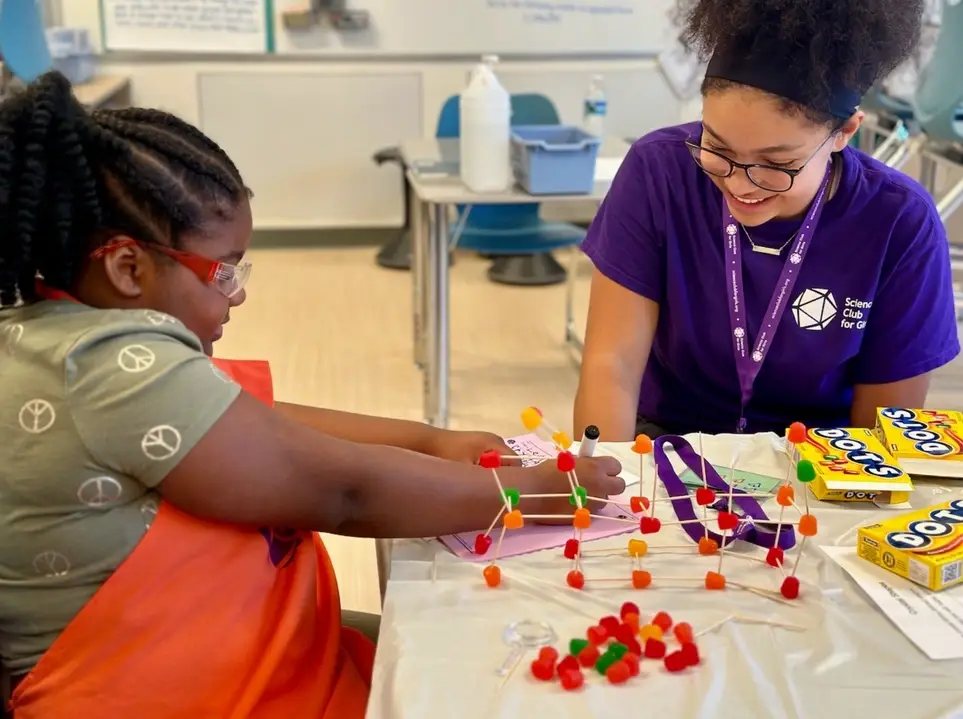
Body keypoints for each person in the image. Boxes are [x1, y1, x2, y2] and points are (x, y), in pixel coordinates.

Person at [0, 72, 625, 718]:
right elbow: (344, 493)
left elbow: (253, 423)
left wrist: (428, 439)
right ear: (128, 267)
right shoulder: (114, 369)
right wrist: (535, 489)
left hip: (225, 653)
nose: (238, 292)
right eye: (225, 270)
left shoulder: (61, 335)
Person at [575, 0, 959, 441]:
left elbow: (884, 433)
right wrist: (609, 486)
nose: (739, 184)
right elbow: (612, 366)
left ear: (844, 133)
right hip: (665, 441)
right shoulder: (658, 171)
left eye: (777, 163)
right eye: (716, 149)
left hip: (821, 462)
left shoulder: (900, 222)